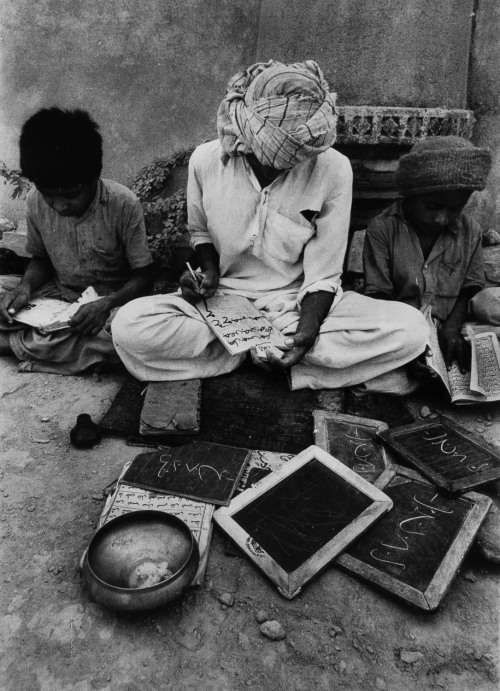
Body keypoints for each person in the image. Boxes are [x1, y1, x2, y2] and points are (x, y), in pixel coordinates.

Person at [112, 60, 427, 390]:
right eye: (269, 159)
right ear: (245, 137)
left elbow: (324, 274)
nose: (280, 170)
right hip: (223, 305)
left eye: (292, 162)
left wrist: (307, 329)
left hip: (296, 306)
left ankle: (263, 352)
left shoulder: (334, 169)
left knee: (411, 328)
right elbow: (200, 232)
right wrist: (208, 273)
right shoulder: (205, 161)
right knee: (129, 326)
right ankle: (256, 353)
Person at [0, 108, 154, 374]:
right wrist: (24, 288)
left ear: (93, 177)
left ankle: (15, 344)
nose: (59, 206)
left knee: (129, 334)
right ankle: (45, 347)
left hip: (107, 307)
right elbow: (41, 259)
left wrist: (107, 304)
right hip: (57, 297)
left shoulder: (123, 203)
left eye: (71, 194)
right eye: (49, 195)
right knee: (4, 292)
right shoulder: (35, 202)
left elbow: (144, 277)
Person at [363, 135, 492, 371]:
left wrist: (452, 327)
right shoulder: (382, 229)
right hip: (400, 328)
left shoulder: (470, 231)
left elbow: (470, 289)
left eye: (455, 209)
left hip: (448, 327)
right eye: (432, 207)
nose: (441, 219)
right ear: (410, 195)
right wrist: (413, 340)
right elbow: (377, 298)